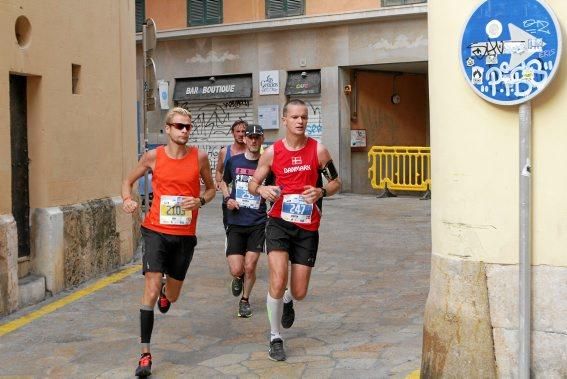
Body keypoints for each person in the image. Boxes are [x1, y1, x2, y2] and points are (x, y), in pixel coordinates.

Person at [122, 107, 216, 377]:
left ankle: (167, 292)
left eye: (188, 127)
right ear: (168, 129)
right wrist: (128, 200)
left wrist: (199, 200)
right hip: (155, 231)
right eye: (179, 126)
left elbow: (210, 189)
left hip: (184, 236)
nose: (184, 131)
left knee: (171, 295)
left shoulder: (200, 157)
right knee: (150, 288)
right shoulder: (153, 157)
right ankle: (145, 355)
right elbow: (126, 181)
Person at [248, 99, 341, 361]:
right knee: (277, 279)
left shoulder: (319, 151)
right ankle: (275, 336)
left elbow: (336, 182)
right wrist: (263, 189)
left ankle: (288, 299)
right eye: (295, 117)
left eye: (304, 118)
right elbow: (253, 184)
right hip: (278, 223)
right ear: (284, 120)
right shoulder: (272, 153)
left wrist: (322, 190)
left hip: (307, 228)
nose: (300, 122)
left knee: (299, 291)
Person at [220, 124, 269, 318]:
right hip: (235, 221)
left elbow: (275, 188)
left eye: (257, 137)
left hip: (257, 221)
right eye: (250, 137)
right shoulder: (234, 161)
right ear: (245, 139)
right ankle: (237, 277)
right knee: (236, 268)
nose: (254, 140)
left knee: (250, 266)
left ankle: (245, 300)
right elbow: (224, 182)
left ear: (262, 139)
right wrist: (227, 199)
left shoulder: (267, 165)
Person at [215, 120, 247, 232]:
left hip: (247, 197)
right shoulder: (224, 151)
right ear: (232, 133)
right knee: (230, 227)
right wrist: (219, 182)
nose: (241, 134)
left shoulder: (252, 151)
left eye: (243, 131)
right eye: (237, 131)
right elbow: (219, 171)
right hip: (229, 196)